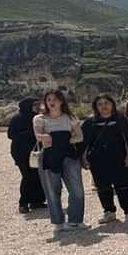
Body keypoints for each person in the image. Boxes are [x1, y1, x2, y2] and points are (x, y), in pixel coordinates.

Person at [79, 94, 128, 224]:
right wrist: (83, 158)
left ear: (112, 104)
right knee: (103, 187)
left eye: (106, 103)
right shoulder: (90, 123)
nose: (104, 106)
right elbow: (85, 143)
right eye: (100, 104)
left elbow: (127, 139)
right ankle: (109, 212)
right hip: (98, 160)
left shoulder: (121, 120)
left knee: (123, 186)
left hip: (119, 158)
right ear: (96, 107)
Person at [34, 89, 87, 233]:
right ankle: (58, 222)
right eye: (49, 99)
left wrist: (63, 140)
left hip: (69, 156)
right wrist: (45, 137)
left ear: (61, 101)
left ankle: (75, 220)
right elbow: (38, 135)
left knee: (77, 189)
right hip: (49, 156)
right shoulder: (39, 118)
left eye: (55, 99)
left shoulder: (71, 117)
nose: (52, 102)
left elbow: (80, 137)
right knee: (52, 191)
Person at [7, 97, 46, 214]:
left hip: (36, 151)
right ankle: (23, 203)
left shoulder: (38, 118)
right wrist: (30, 133)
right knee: (28, 176)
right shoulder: (17, 118)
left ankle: (37, 201)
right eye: (35, 105)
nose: (38, 107)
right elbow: (10, 134)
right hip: (21, 152)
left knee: (38, 175)